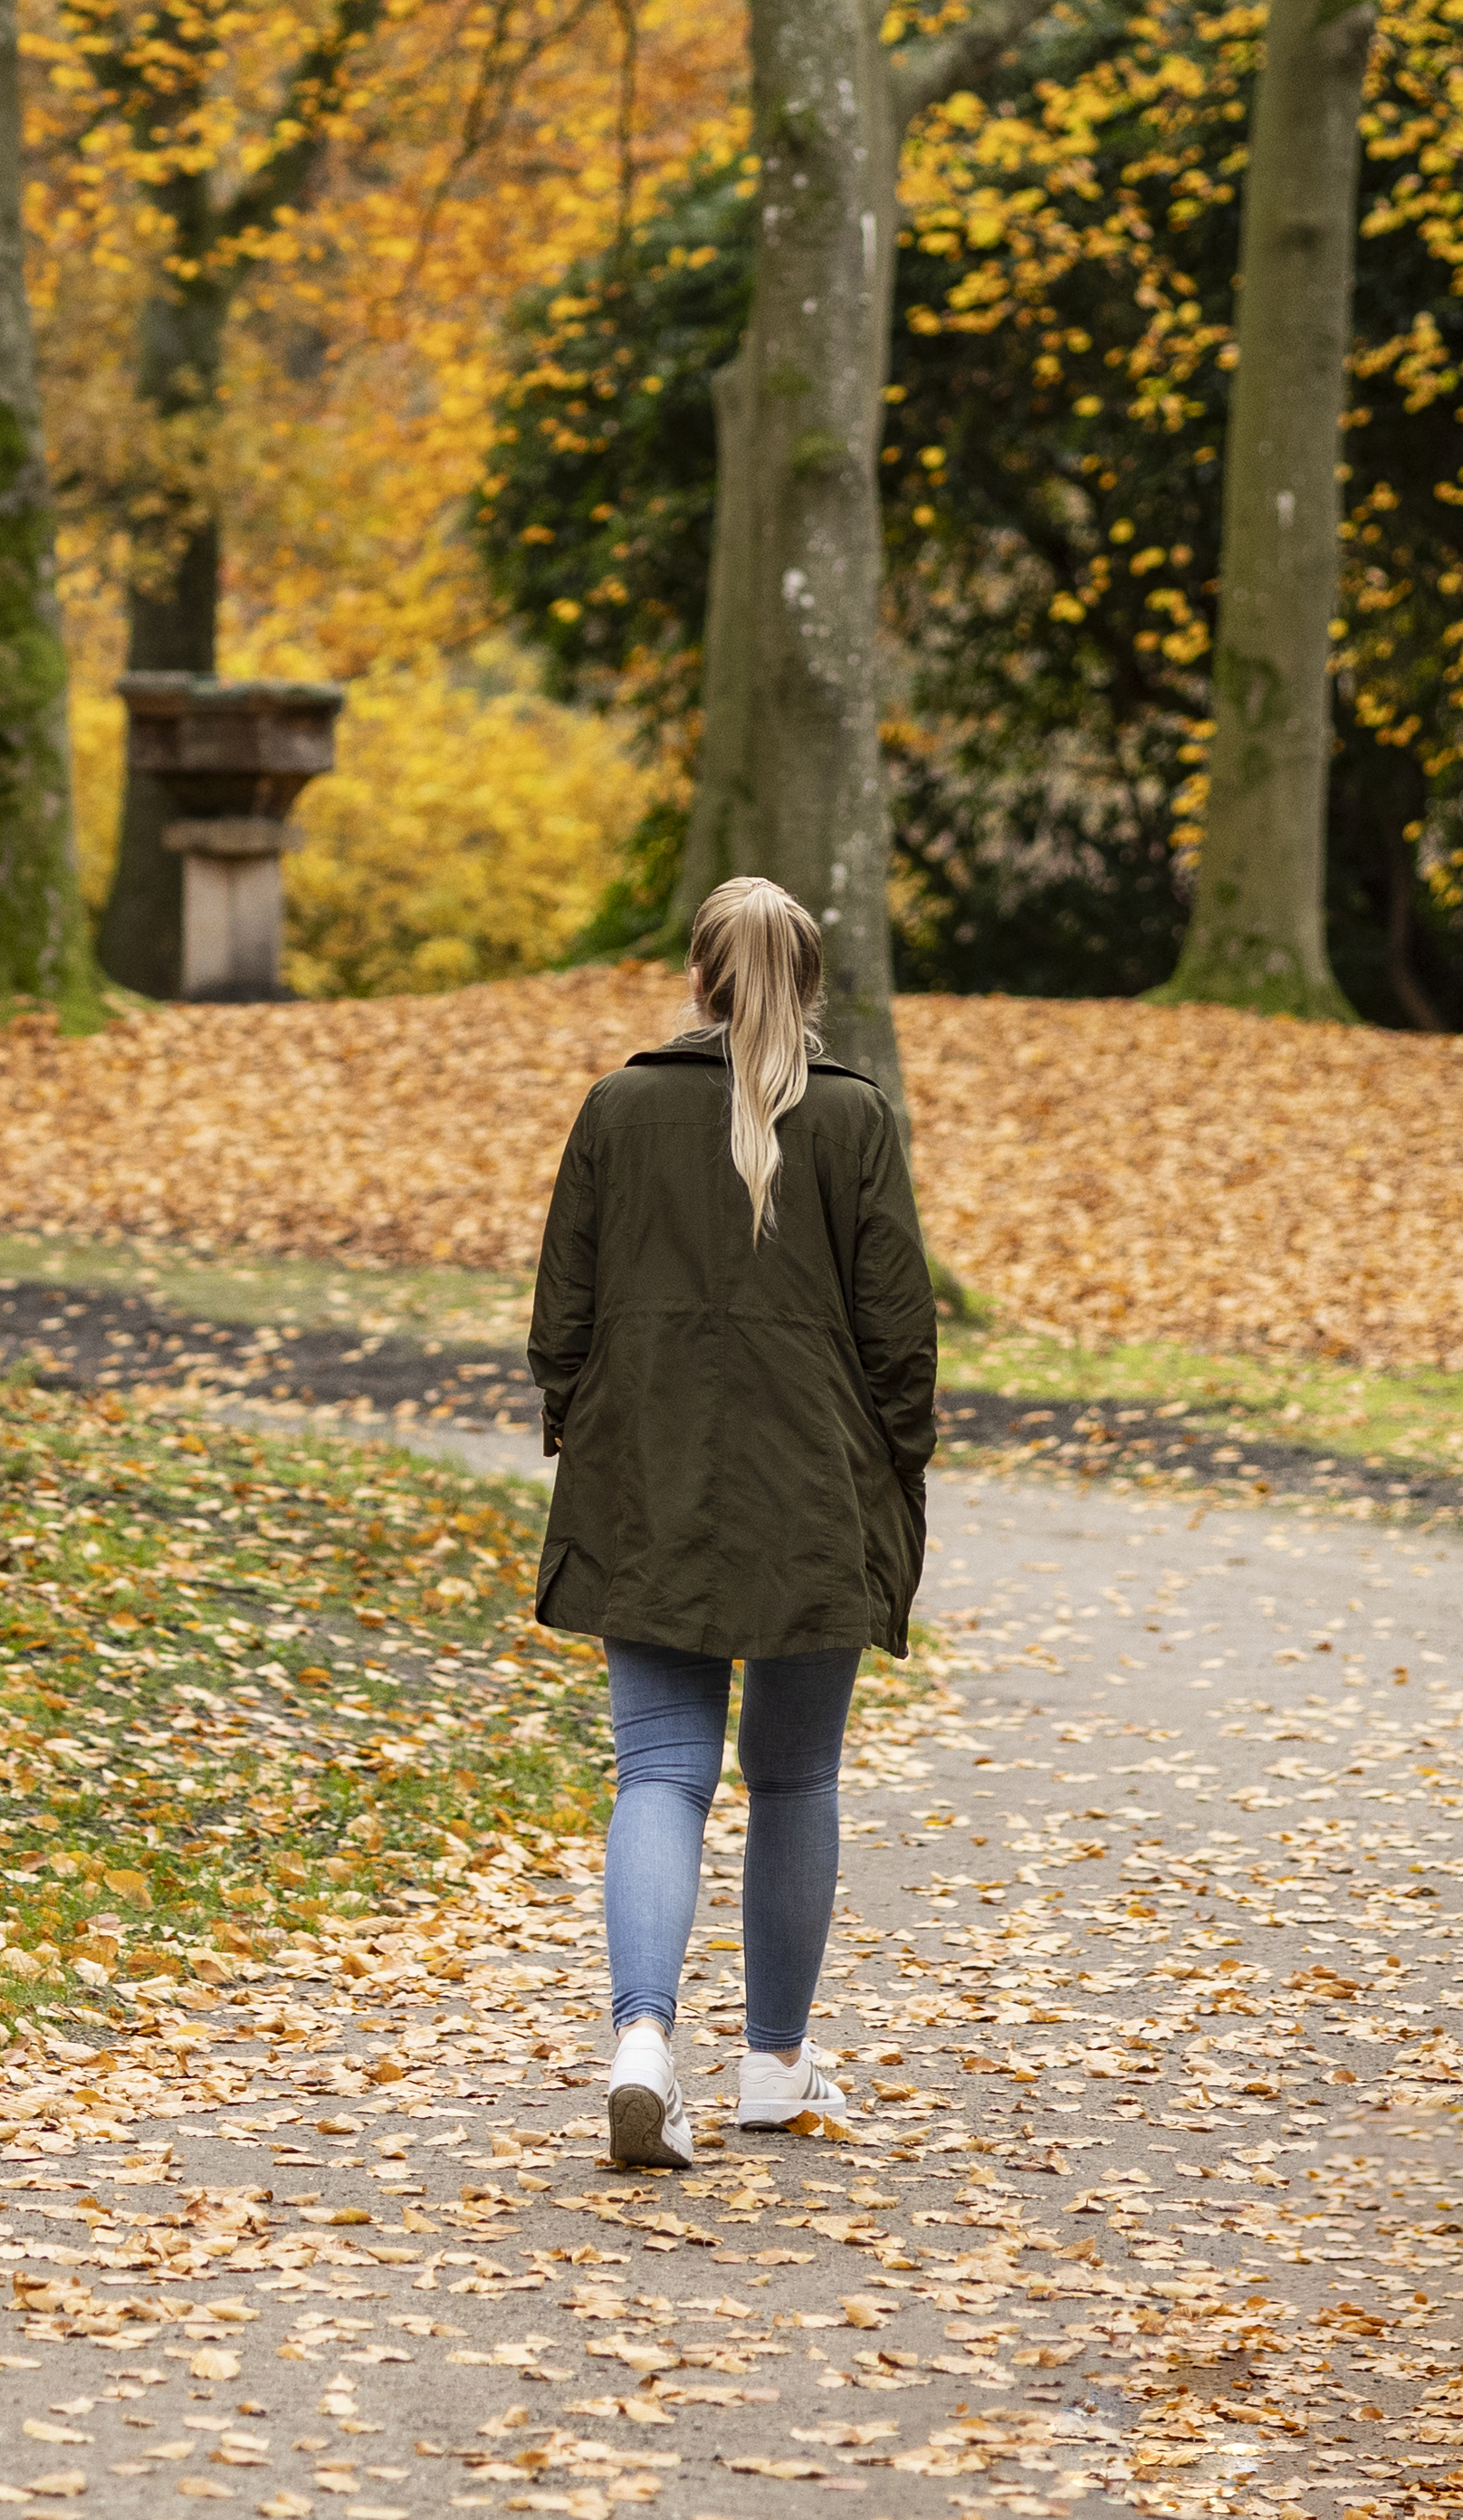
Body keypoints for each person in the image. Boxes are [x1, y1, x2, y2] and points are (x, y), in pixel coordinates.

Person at [525, 874, 939, 2162]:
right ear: (808, 988)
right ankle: (773, 2065)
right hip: (814, 1494)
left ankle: (643, 2041)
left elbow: (559, 1328)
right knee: (796, 1774)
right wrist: (894, 1476)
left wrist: (593, 1445)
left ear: (696, 982)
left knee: (660, 1772)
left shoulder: (617, 1108)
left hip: (646, 1484)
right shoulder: (854, 1124)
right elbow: (901, 1342)